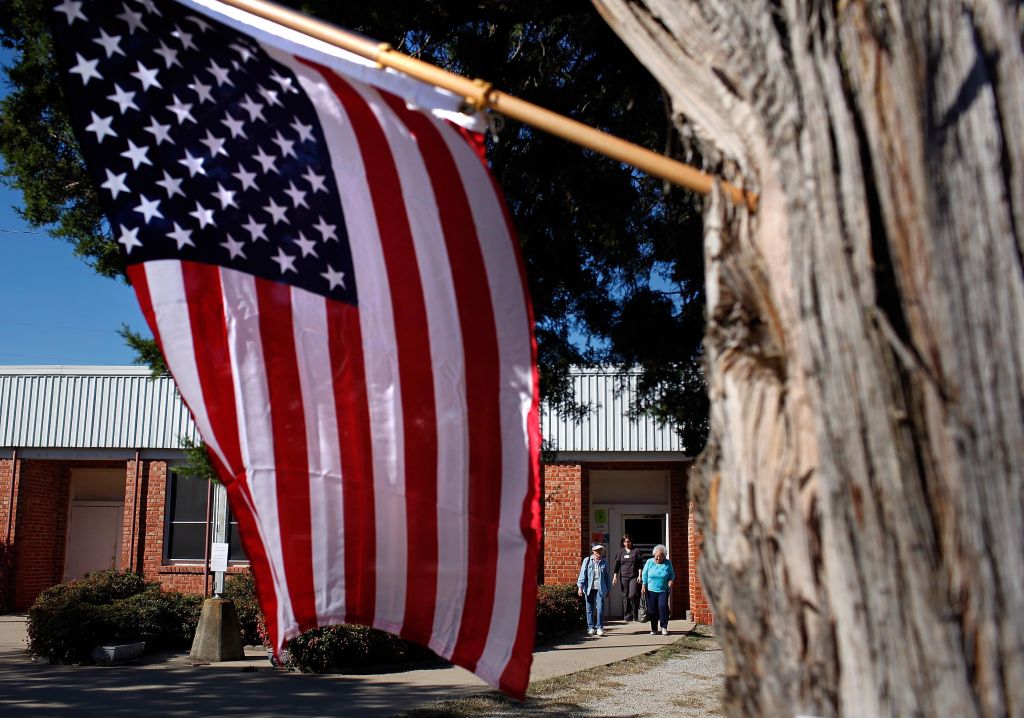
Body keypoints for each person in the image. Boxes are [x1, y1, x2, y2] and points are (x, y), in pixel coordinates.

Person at [577, 543, 611, 636]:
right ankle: (591, 627)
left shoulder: (604, 562)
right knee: (589, 609)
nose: (599, 552)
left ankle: (599, 627)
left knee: (600, 608)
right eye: (596, 550)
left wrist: (608, 590)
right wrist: (580, 587)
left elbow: (607, 577)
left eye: (600, 550)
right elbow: (582, 574)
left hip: (600, 588)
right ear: (593, 551)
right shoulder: (587, 561)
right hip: (589, 588)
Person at [641, 543, 675, 635]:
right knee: (652, 610)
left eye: (661, 557)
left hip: (663, 590)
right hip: (650, 589)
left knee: (663, 607)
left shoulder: (668, 563)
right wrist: (643, 585)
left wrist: (671, 580)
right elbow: (644, 574)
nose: (658, 558)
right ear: (654, 555)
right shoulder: (649, 562)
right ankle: (654, 629)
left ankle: (664, 627)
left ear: (664, 556)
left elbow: (672, 575)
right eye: (657, 556)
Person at [612, 533, 643, 621]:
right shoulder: (620, 551)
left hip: (634, 576)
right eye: (625, 542)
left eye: (628, 542)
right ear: (623, 542)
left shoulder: (636, 551)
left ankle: (635, 613)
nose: (627, 543)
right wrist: (615, 577)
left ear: (631, 542)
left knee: (632, 595)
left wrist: (640, 576)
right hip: (624, 577)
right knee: (625, 595)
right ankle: (627, 615)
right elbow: (617, 565)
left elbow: (640, 564)